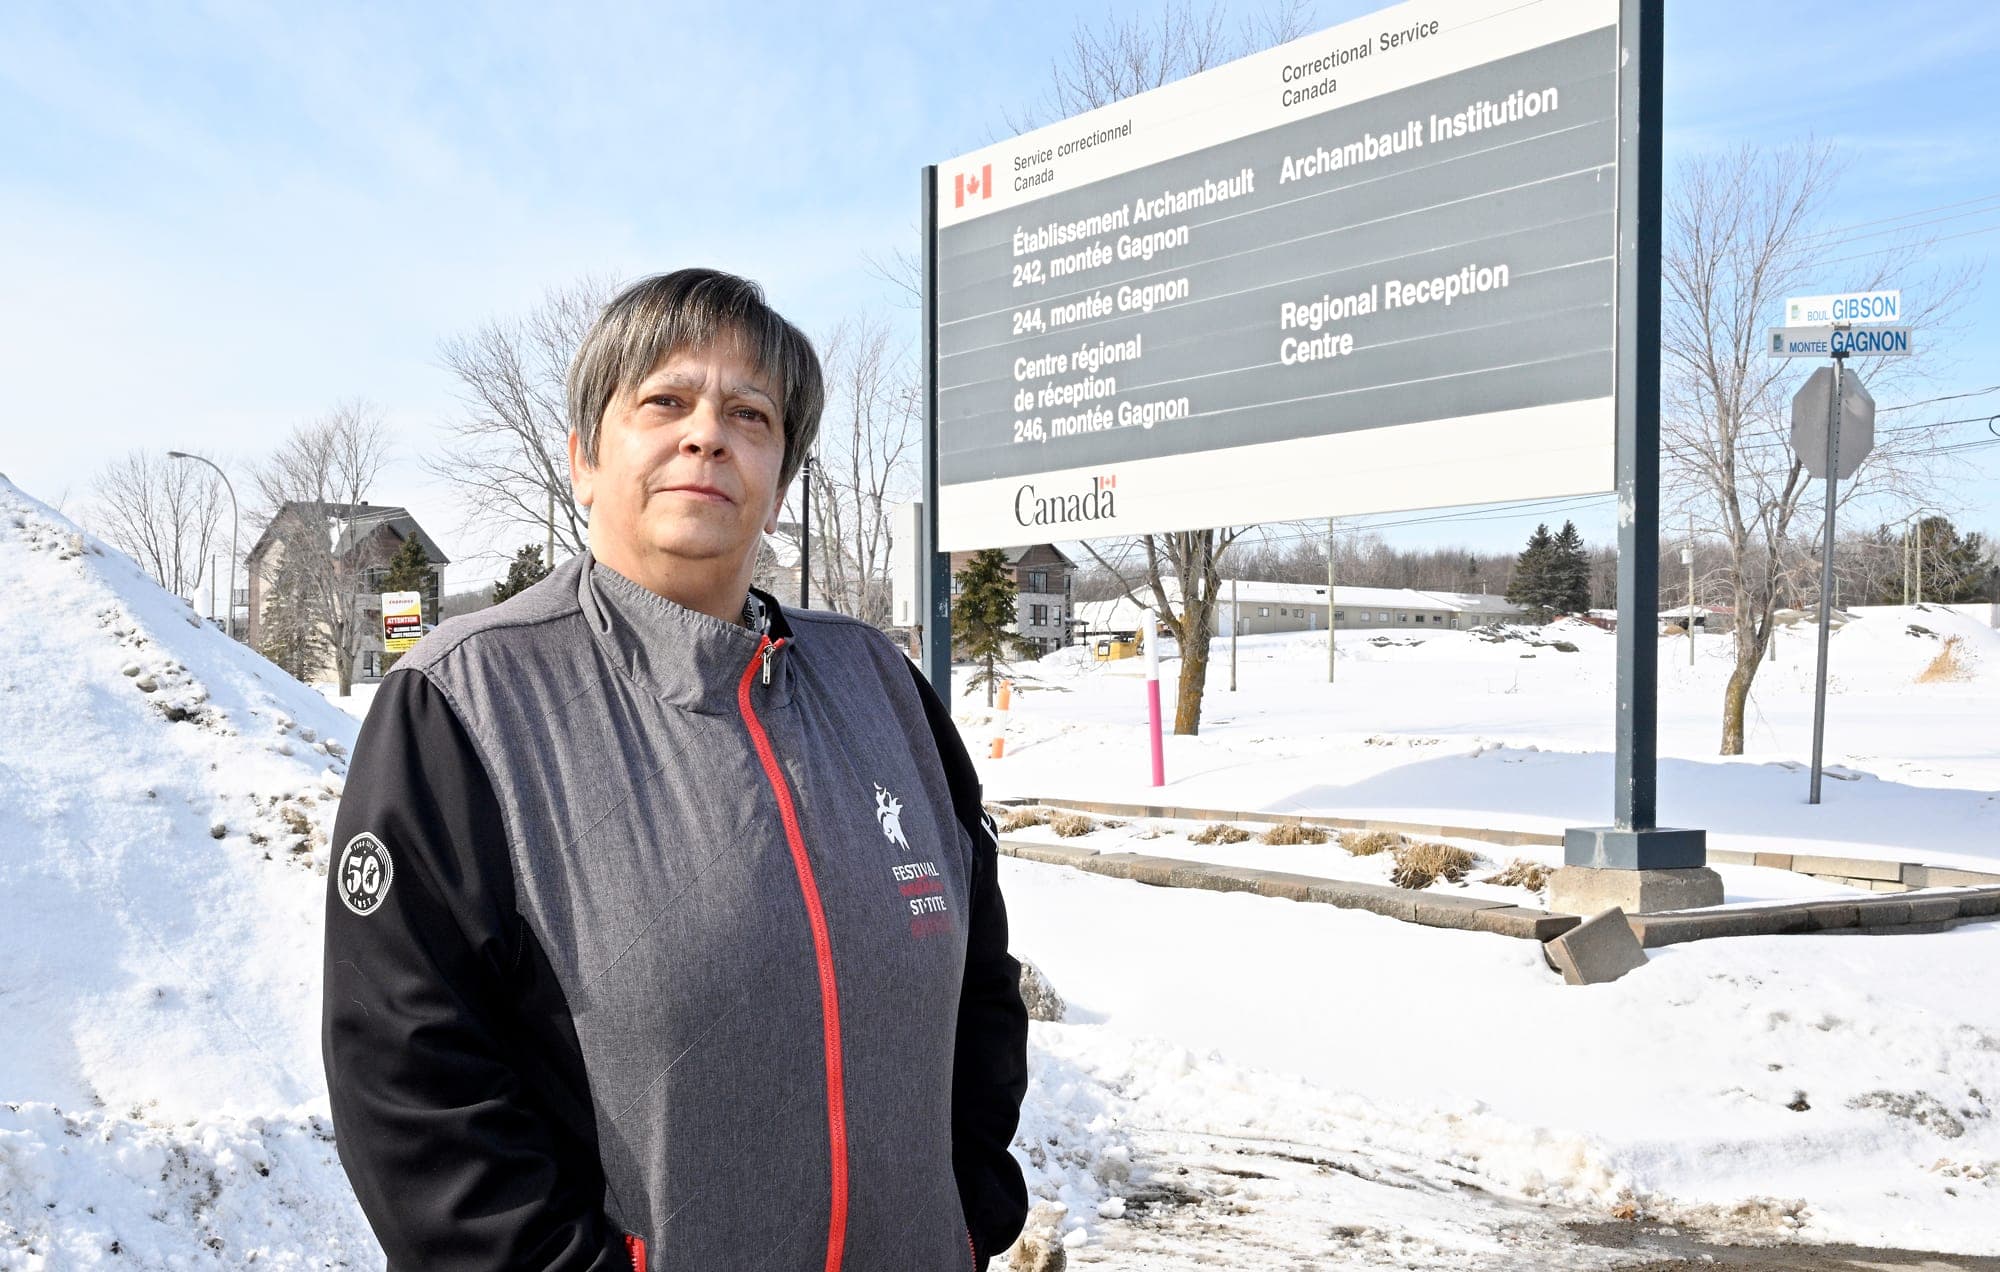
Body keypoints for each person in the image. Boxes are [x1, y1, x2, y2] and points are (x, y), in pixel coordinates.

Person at [322, 268, 1029, 1271]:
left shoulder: (879, 684)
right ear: (583, 458)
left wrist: (964, 1211)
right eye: (664, 401)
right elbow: (413, 1079)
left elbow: (979, 981)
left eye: (750, 413)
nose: (707, 435)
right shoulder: (466, 701)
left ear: (779, 479)